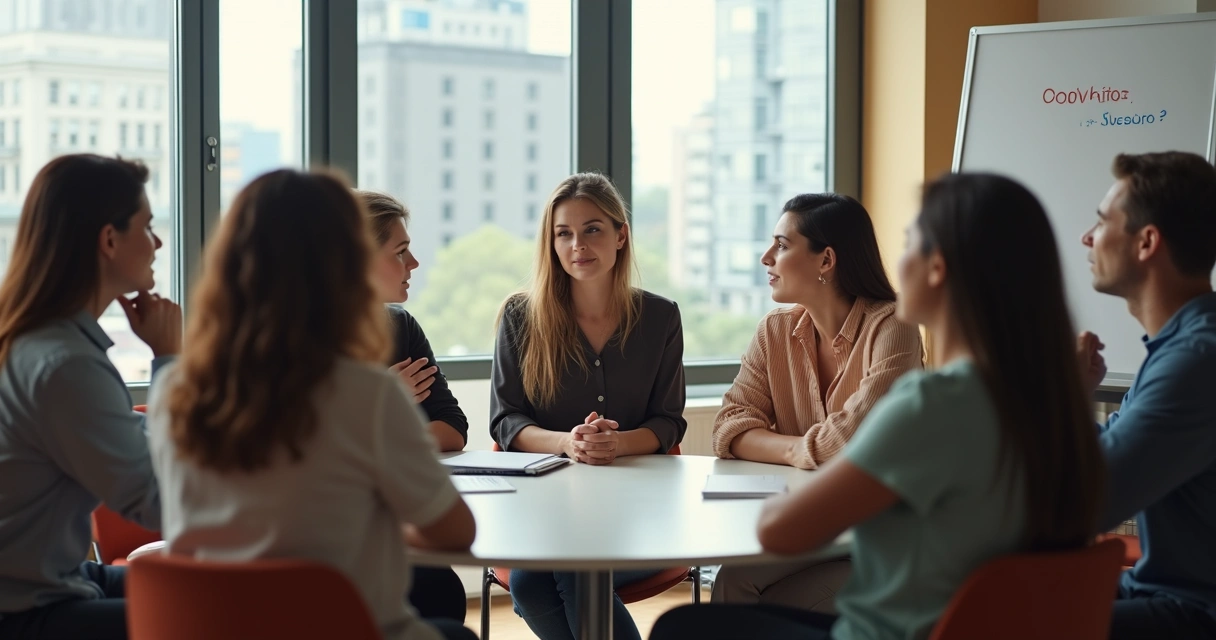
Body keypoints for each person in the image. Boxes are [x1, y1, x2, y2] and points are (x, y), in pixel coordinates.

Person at [651, 172, 1105, 640]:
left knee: (680, 626)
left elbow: (775, 529)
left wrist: (791, 457)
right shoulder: (1043, 404)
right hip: (959, 622)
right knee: (739, 596)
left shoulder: (930, 402)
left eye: (909, 243)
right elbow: (734, 425)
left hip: (889, 631)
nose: (895, 262)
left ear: (937, 267)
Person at [146, 169, 477, 640]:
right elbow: (456, 533)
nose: (413, 263)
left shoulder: (174, 390)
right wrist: (374, 526)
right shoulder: (369, 393)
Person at [489, 172, 686, 640]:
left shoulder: (660, 317)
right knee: (535, 582)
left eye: (592, 229)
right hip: (545, 510)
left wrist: (616, 445)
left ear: (621, 235)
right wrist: (568, 443)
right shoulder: (520, 317)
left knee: (571, 570)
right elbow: (505, 420)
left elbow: (667, 421)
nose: (577, 244)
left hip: (641, 508)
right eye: (564, 233)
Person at [709, 193, 923, 611]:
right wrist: (798, 450)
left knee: (775, 600)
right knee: (734, 579)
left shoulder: (894, 325)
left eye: (781, 245)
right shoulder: (774, 330)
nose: (766, 258)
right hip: (817, 522)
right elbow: (728, 426)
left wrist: (784, 447)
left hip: (883, 539)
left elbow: (850, 442)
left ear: (826, 260)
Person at [0, 154, 180, 640]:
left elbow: (127, 436)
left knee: (213, 591)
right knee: (223, 615)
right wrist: (169, 360)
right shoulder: (66, 364)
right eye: (147, 227)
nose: (158, 242)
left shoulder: (39, 340)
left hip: (52, 579)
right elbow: (162, 504)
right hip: (26, 611)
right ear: (109, 240)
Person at [1075, 151, 1216, 639]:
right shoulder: (1178, 347)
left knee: (996, 621)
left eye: (1101, 222)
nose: (1087, 237)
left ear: (1147, 242)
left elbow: (1084, 503)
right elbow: (1107, 454)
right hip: (1158, 590)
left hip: (1196, 611)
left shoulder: (1196, 360)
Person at [359, 189, 470, 623]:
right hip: (334, 550)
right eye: (401, 252)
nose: (415, 263)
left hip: (387, 522)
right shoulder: (302, 351)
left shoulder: (399, 326)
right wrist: (386, 406)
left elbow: (453, 427)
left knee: (440, 587)